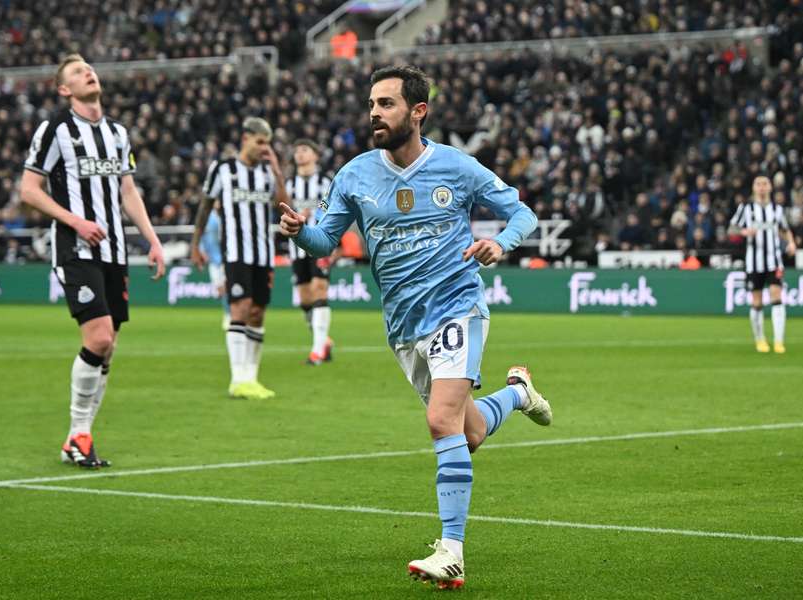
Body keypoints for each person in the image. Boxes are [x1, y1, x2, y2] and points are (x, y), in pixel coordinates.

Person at [279, 65, 552, 590]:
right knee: (467, 432)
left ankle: (451, 551)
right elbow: (324, 242)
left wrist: (500, 243)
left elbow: (522, 213)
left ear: (417, 111)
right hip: (404, 327)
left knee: (439, 420)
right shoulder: (356, 174)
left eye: (385, 104)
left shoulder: (456, 167)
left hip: (458, 307)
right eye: (372, 104)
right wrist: (300, 233)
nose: (374, 113)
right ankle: (517, 394)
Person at [19, 54, 166, 468]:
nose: (89, 73)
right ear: (65, 89)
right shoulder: (55, 129)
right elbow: (29, 189)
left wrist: (152, 240)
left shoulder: (118, 133)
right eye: (78, 72)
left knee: (109, 347)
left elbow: (128, 192)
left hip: (115, 251)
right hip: (75, 248)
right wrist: (76, 221)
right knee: (98, 338)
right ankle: (80, 433)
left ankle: (76, 438)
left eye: (90, 68)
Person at [190, 117, 288, 399]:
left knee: (258, 313)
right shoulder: (222, 169)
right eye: (260, 142)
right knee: (240, 309)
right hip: (235, 253)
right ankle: (237, 379)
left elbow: (285, 209)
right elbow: (205, 207)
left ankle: (251, 378)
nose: (263, 148)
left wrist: (278, 173)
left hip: (263, 254)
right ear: (245, 138)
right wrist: (195, 245)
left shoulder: (267, 173)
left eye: (267, 143)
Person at [729, 175, 797, 353]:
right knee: (757, 301)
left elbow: (784, 229)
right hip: (753, 262)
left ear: (770, 187)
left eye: (765, 184)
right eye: (758, 184)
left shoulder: (777, 209)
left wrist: (791, 242)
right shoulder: (746, 208)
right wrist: (744, 231)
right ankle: (760, 340)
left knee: (776, 296)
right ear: (753, 188)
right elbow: (731, 228)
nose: (761, 187)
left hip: (774, 261)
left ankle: (779, 341)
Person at [286, 139, 334, 365]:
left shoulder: (326, 182)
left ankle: (317, 351)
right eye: (297, 151)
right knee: (305, 298)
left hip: (320, 243)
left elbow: (334, 212)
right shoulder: (288, 185)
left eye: (304, 150)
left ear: (315, 155)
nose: (299, 154)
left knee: (319, 289)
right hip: (296, 248)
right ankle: (323, 340)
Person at [199, 202, 231, 330]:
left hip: (227, 258)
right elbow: (202, 236)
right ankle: (229, 312)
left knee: (225, 288)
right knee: (220, 290)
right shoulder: (209, 218)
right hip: (214, 259)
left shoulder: (229, 215)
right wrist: (202, 251)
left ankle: (229, 315)